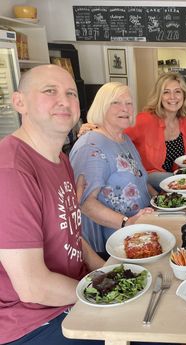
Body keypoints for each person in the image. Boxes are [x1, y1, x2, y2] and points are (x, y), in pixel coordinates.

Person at [0, 64, 105, 344]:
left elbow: (70, 232)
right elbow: (33, 287)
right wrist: (106, 293)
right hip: (32, 323)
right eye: (50, 91)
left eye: (71, 93)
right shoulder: (11, 170)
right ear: (19, 101)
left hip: (71, 296)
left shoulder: (61, 160)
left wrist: (104, 271)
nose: (64, 100)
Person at [69, 82, 155, 259]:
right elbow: (85, 203)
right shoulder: (91, 146)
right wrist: (127, 222)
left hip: (140, 232)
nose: (125, 108)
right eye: (116, 102)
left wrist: (158, 200)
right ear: (102, 106)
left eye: (129, 103)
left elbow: (140, 180)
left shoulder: (124, 139)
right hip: (113, 244)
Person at [125, 72, 186, 190]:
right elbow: (117, 137)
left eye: (177, 91)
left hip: (176, 182)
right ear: (159, 96)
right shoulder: (145, 120)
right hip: (150, 181)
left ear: (183, 96)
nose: (173, 97)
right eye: (166, 92)